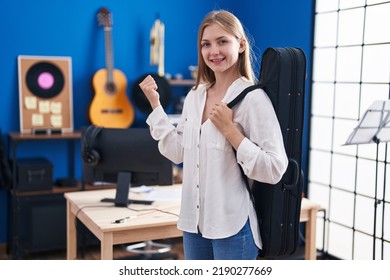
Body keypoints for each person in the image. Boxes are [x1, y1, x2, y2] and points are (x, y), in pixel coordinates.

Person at [139, 10, 288, 260]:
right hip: (193, 223)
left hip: (233, 226)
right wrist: (156, 106)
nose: (213, 51)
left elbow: (274, 168)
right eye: (206, 44)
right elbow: (177, 152)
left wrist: (231, 131)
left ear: (240, 45)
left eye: (222, 41)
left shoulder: (253, 99)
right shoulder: (195, 96)